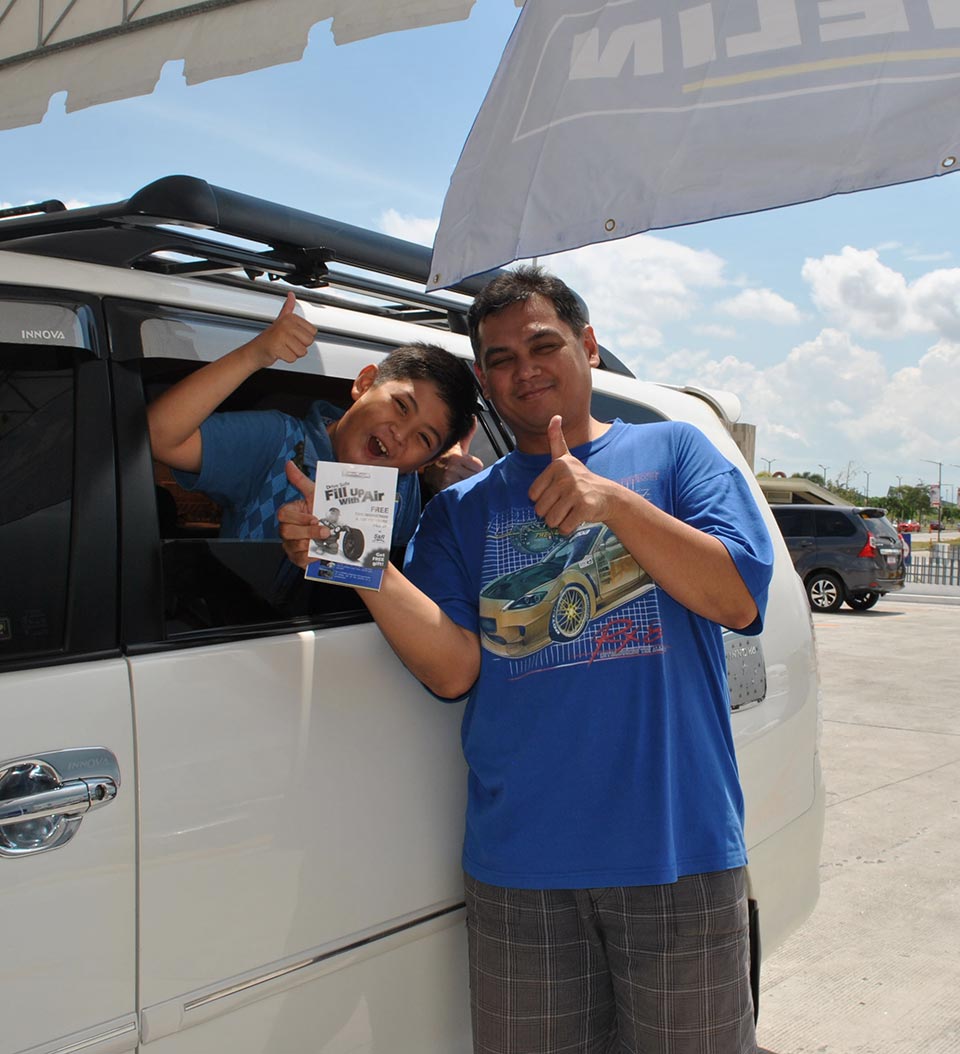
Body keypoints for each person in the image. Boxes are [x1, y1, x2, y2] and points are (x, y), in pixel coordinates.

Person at [278, 267, 773, 1054]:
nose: (525, 368)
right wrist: (345, 554)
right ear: (483, 377)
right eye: (501, 358)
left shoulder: (674, 450)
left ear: (588, 346)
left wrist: (612, 501)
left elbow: (738, 597)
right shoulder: (459, 511)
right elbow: (453, 671)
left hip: (675, 852)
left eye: (543, 344)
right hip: (521, 869)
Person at [147, 291, 481, 546]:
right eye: (402, 406)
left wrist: (444, 482)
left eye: (423, 438)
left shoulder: (404, 488)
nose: (400, 434)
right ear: (365, 384)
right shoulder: (278, 444)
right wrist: (254, 355)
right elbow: (160, 436)